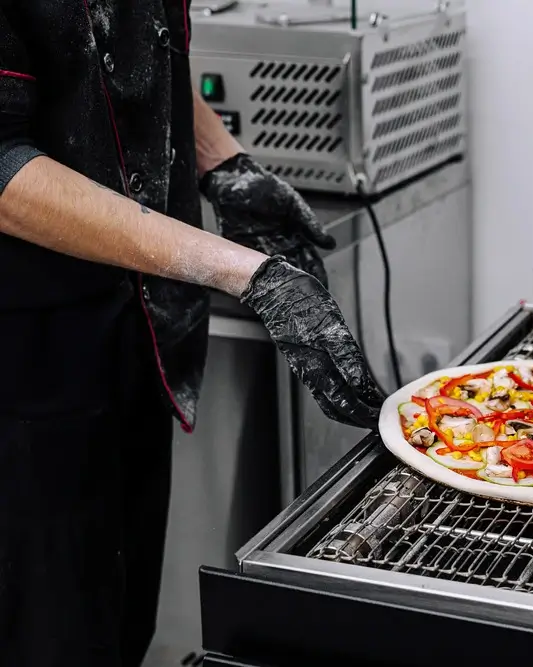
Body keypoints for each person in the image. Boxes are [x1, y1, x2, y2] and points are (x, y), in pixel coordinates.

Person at [0, 3, 384, 666]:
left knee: (121, 626)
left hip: (135, 333)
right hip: (28, 370)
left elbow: (137, 52)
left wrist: (224, 165)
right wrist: (240, 269)